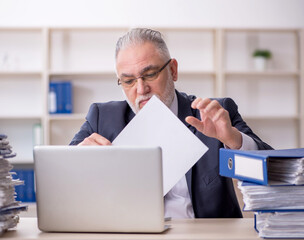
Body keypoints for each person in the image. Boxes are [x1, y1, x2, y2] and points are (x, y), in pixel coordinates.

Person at [70, 28, 273, 218]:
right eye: (129, 81)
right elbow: (60, 178)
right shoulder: (102, 117)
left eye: (149, 75)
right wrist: (80, 162)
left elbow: (273, 173)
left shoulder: (213, 114)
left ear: (173, 70)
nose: (141, 89)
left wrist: (233, 140)